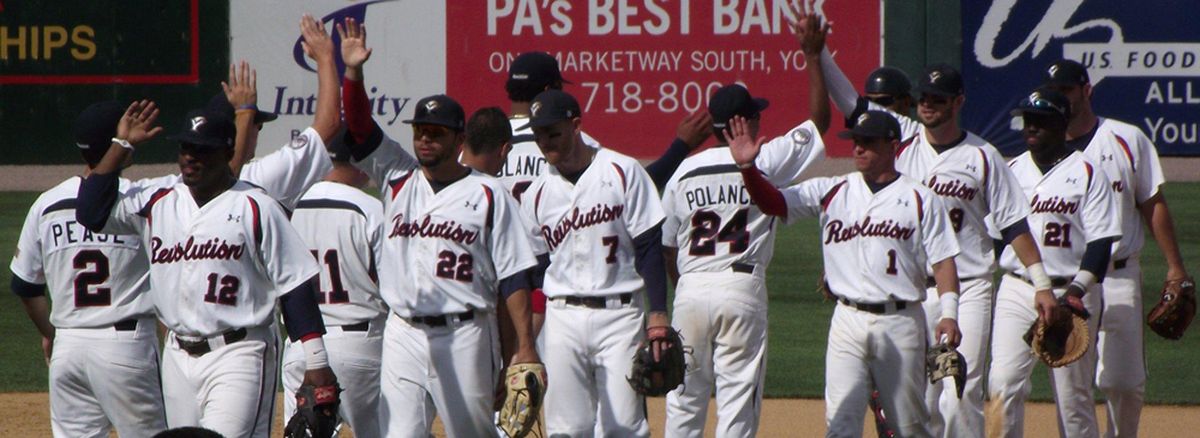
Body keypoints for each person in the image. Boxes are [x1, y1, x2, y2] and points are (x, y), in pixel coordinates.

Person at [73, 15, 343, 438]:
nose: (190, 159)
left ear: (224, 152)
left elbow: (295, 285)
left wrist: (317, 361)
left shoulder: (256, 205)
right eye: (184, 149)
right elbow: (90, 212)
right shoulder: (156, 199)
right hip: (177, 354)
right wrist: (121, 146)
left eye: (200, 151)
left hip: (240, 353)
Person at [337, 17, 542, 436]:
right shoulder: (397, 176)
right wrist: (354, 73)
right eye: (420, 131)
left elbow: (514, 278)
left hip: (465, 333)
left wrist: (522, 347)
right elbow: (359, 127)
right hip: (403, 332)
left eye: (436, 133)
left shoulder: (488, 194)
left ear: (459, 139)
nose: (425, 139)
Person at [733, 110, 963, 438]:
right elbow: (773, 203)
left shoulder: (920, 198)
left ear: (893, 146)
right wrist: (747, 169)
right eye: (855, 141)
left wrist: (949, 314)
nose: (857, 148)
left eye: (868, 142)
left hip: (901, 322)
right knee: (840, 426)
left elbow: (943, 262)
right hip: (847, 322)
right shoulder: (832, 190)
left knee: (909, 427)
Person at [660, 8, 830, 437]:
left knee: (683, 401)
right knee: (737, 402)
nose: (760, 118)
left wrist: (686, 285)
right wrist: (812, 57)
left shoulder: (682, 172)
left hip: (690, 289)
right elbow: (820, 123)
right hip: (740, 289)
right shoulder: (763, 160)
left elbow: (665, 247)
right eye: (755, 113)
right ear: (745, 122)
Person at [884, 61, 1051, 438]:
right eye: (923, 97)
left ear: (957, 102)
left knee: (959, 392)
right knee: (919, 401)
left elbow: (1014, 226)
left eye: (937, 99)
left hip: (970, 286)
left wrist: (1041, 282)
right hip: (912, 290)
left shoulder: (983, 156)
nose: (927, 104)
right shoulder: (902, 154)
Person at [1041, 59, 1190, 438]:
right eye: (1054, 92)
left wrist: (1175, 267)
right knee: (1071, 388)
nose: (1061, 98)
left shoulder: (1126, 138)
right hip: (1067, 283)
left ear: (1086, 90)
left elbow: (1152, 204)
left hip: (1118, 274)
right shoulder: (1041, 151)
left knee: (1125, 381)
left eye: (1068, 90)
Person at [516, 88, 672, 437]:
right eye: (539, 135)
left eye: (553, 133)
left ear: (576, 126)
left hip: (620, 316)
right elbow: (539, 276)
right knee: (566, 429)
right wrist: (526, 341)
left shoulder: (622, 171)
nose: (545, 142)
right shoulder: (536, 194)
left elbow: (649, 247)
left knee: (624, 428)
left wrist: (658, 315)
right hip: (562, 319)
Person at [10, 101, 168, 438]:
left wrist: (49, 334)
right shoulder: (138, 200)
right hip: (126, 345)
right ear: (119, 142)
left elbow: (24, 284)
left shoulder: (47, 204)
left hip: (68, 346)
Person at [987, 88, 1122, 438]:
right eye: (1028, 120)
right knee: (1001, 385)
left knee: (1073, 401)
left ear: (1062, 124)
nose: (1031, 127)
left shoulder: (1089, 173)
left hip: (1071, 292)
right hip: (1018, 289)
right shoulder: (1010, 171)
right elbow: (995, 237)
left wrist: (1076, 293)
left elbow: (1102, 240)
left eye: (1041, 121)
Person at [281, 129, 385, 438]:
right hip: (361, 347)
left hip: (301, 347)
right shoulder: (370, 209)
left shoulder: (289, 206)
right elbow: (392, 286)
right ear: (360, 161)